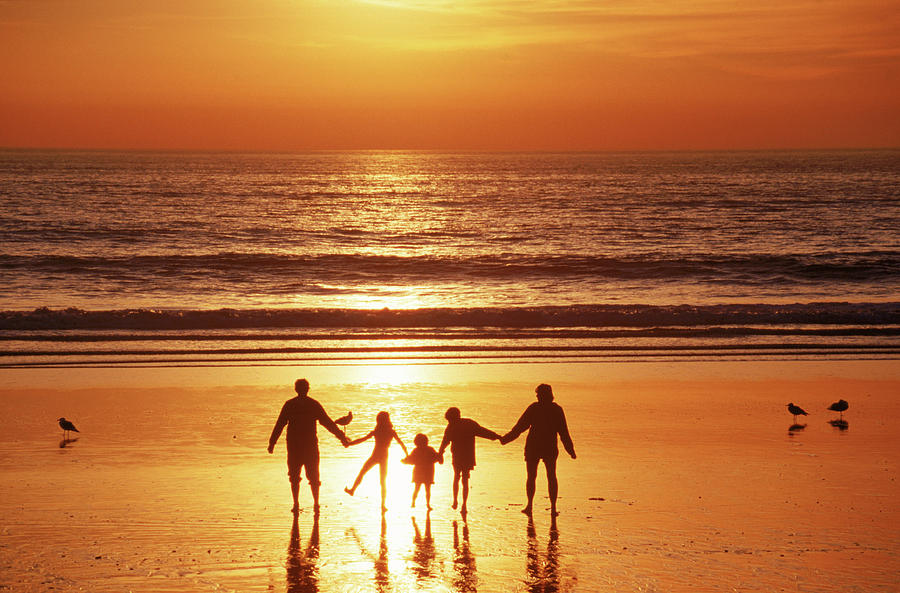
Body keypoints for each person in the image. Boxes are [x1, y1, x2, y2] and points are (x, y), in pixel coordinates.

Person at [268, 379, 350, 514]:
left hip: (295, 446)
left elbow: (280, 424)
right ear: (307, 389)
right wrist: (342, 437)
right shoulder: (312, 404)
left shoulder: (290, 405)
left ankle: (296, 504)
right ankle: (315, 503)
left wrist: (272, 442)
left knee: (295, 477)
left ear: (296, 389)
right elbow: (328, 423)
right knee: (313, 477)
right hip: (309, 446)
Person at [500, 383, 576, 516]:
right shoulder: (556, 409)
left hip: (535, 447)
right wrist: (571, 450)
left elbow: (519, 427)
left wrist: (505, 439)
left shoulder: (535, 408)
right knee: (549, 476)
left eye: (538, 394)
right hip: (548, 447)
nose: (537, 396)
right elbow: (563, 432)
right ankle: (549, 508)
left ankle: (533, 506)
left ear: (543, 395)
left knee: (534, 476)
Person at [438, 407, 501, 515]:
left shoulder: (451, 427)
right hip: (467, 456)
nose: (449, 421)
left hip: (458, 456)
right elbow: (482, 431)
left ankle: (456, 501)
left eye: (449, 419)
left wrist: (440, 454)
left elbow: (445, 442)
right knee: (465, 480)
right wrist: (496, 436)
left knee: (457, 477)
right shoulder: (468, 423)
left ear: (451, 417)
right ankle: (463, 505)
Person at [344, 411, 408, 511]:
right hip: (384, 457)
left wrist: (350, 444)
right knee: (382, 481)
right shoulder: (391, 432)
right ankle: (383, 505)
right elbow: (401, 443)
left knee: (363, 472)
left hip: (375, 456)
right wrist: (407, 454)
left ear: (378, 421)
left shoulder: (377, 431)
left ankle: (353, 490)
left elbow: (362, 439)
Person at [402, 433, 442, 509]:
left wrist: (404, 460)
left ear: (416, 442)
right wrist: (440, 456)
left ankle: (413, 502)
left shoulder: (416, 450)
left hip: (418, 472)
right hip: (428, 472)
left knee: (417, 488)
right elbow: (436, 457)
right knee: (427, 489)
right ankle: (427, 504)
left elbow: (411, 459)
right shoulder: (430, 449)